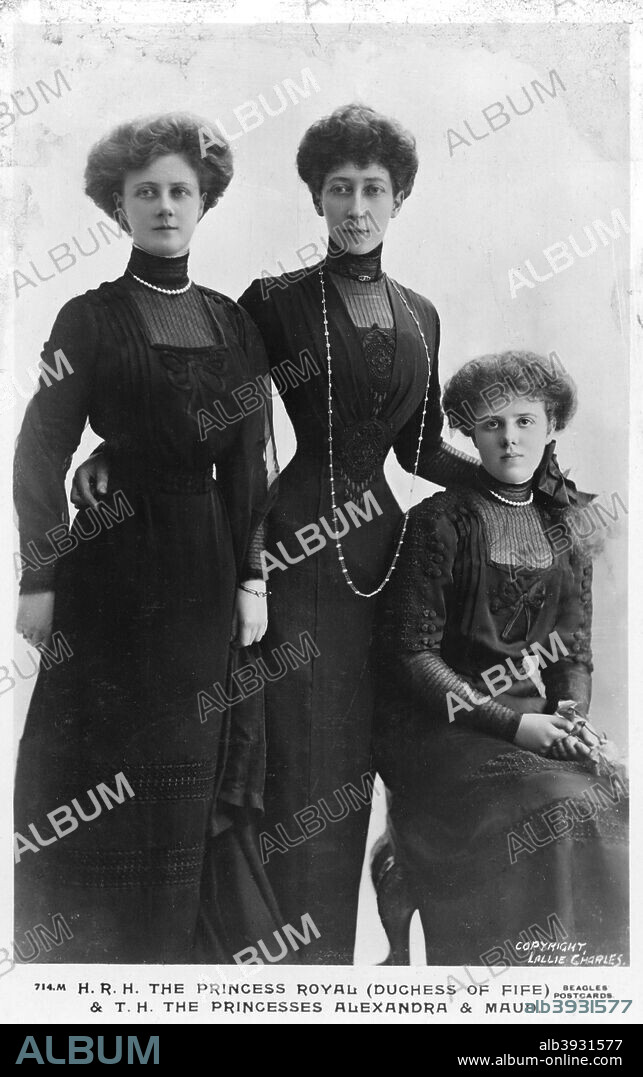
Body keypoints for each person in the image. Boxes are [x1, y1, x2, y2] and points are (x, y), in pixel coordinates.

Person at [71, 103, 481, 964]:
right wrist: (113, 451)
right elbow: (210, 405)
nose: (356, 207)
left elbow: (418, 448)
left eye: (373, 189)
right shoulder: (275, 301)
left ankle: (337, 959)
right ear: (316, 197)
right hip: (288, 546)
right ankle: (283, 960)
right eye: (339, 188)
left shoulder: (422, 313)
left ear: (400, 197)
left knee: (357, 758)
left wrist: (514, 481)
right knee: (296, 760)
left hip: (384, 555)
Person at [13, 112, 280, 963]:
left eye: (180, 192)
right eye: (146, 192)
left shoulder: (234, 325)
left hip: (204, 571)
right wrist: (39, 577)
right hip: (109, 574)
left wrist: (252, 576)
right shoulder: (87, 318)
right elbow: (40, 449)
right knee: (96, 769)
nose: (164, 206)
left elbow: (250, 461)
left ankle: (167, 961)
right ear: (117, 205)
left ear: (204, 203)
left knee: (181, 772)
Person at [372, 351, 629, 966]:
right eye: (492, 424)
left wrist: (569, 719)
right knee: (556, 804)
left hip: (528, 719)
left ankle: (572, 980)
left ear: (551, 426)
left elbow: (571, 654)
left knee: (605, 798)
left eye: (524, 421)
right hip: (438, 728)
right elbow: (412, 658)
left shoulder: (567, 529)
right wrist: (516, 726)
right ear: (469, 433)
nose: (509, 438)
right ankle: (504, 981)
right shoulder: (438, 522)